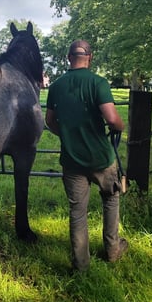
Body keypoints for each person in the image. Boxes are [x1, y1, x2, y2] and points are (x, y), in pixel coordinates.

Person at [45, 39, 128, 272]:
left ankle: (81, 264)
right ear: (90, 57)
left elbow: (49, 121)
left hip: (72, 159)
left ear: (68, 57)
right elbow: (112, 119)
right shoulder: (98, 83)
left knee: (77, 211)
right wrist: (120, 127)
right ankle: (112, 250)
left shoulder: (57, 86)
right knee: (111, 200)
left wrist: (68, 135)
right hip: (101, 158)